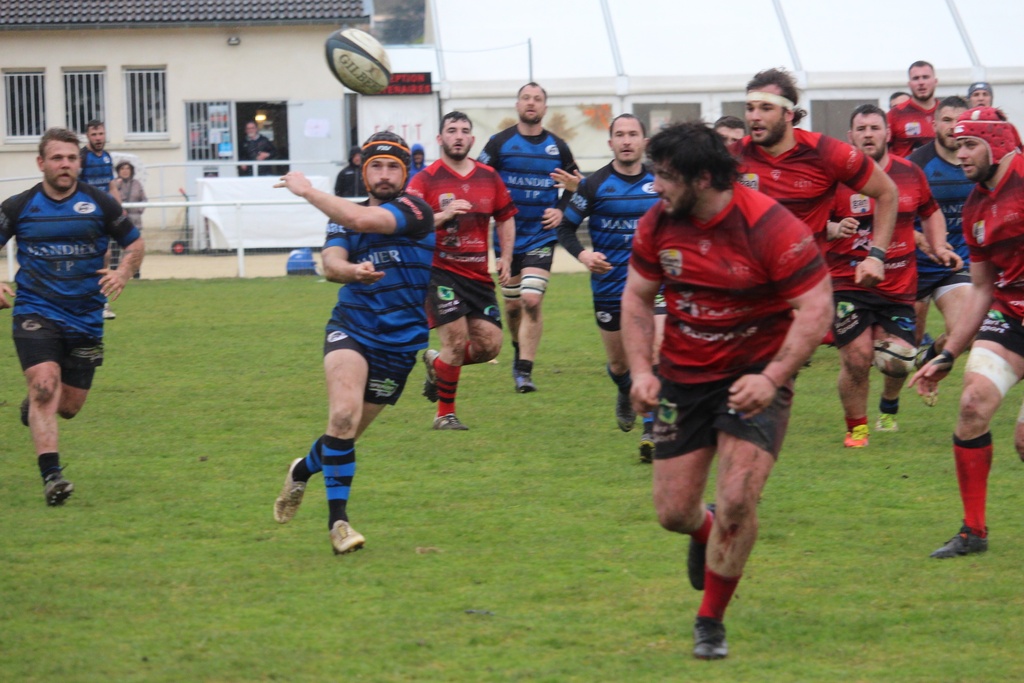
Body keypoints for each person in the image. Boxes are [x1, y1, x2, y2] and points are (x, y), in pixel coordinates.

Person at [622, 122, 831, 660]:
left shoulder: (770, 227)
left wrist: (772, 378)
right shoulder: (657, 222)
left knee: (739, 497)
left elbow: (817, 308)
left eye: (665, 176)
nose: (655, 186)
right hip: (683, 376)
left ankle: (710, 621)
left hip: (754, 376)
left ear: (703, 178)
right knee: (673, 513)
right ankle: (706, 529)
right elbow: (638, 298)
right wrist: (642, 370)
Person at [271, 132, 435, 555]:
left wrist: (306, 190)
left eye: (393, 167)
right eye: (376, 166)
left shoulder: (416, 210)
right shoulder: (343, 215)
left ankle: (302, 470)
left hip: (400, 343)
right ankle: (339, 525)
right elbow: (331, 264)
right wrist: (352, 272)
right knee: (343, 416)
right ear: (364, 172)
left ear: (406, 173)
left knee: (343, 436)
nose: (384, 174)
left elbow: (363, 221)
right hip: (352, 327)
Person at [0, 127, 144, 506]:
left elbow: (135, 243)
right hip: (35, 309)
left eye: (71, 158)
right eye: (57, 158)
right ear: (41, 163)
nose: (65, 165)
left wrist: (123, 271)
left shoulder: (100, 204)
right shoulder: (19, 206)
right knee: (45, 385)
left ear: (79, 163)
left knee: (68, 407)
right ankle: (53, 477)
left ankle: (35, 405)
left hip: (85, 317)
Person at [910, 106, 1024, 559]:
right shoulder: (977, 205)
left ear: (997, 144)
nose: (960, 155)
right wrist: (948, 353)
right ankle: (973, 532)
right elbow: (981, 288)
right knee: (972, 403)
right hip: (1012, 314)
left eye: (970, 145)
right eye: (957, 146)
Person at [825, 104, 957, 447]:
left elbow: (931, 212)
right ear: (850, 136)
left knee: (898, 362)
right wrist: (834, 228)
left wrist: (938, 244)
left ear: (887, 133)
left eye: (874, 128)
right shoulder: (836, 178)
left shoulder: (910, 172)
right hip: (848, 282)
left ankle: (888, 405)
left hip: (898, 286)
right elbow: (812, 223)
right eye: (861, 129)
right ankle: (857, 430)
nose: (868, 134)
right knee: (857, 358)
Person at [557, 113, 662, 462]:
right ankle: (624, 388)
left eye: (633, 134)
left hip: (654, 285)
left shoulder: (661, 181)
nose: (627, 140)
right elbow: (565, 229)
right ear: (611, 143)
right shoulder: (594, 185)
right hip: (610, 287)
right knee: (620, 364)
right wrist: (585, 255)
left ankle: (651, 430)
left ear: (644, 142)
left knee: (654, 354)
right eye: (620, 135)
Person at [407, 112, 517, 430]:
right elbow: (410, 224)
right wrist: (443, 215)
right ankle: (445, 415)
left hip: (478, 277)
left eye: (464, 131)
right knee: (455, 342)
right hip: (440, 273)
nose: (458, 136)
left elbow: (506, 217)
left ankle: (437, 363)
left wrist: (506, 257)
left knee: (489, 346)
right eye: (451, 130)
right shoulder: (425, 180)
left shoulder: (489, 177)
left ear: (472, 139)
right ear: (439, 138)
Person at [477, 82, 579, 393]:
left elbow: (576, 186)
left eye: (537, 99)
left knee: (531, 301)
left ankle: (524, 371)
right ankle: (517, 346)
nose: (531, 103)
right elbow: (479, 179)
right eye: (525, 98)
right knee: (512, 308)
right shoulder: (499, 143)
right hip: (507, 238)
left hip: (540, 236)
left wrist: (561, 209)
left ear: (545, 107)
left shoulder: (558, 147)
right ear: (517, 105)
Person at [736, 68, 898, 258]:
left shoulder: (826, 152)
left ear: (788, 114)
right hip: (750, 272)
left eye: (766, 108)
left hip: (806, 272)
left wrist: (876, 257)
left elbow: (887, 192)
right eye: (750, 108)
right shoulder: (732, 156)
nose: (754, 116)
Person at [907, 96, 974, 398]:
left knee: (965, 332)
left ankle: (932, 356)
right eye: (947, 120)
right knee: (902, 353)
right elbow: (894, 215)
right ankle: (888, 405)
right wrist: (920, 238)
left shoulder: (979, 163)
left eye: (960, 121)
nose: (954, 127)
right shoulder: (917, 164)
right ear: (933, 124)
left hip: (957, 263)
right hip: (915, 265)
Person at [80, 119, 122, 319]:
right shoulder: (82, 157)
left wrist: (119, 210)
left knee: (104, 255)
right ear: (88, 136)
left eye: (101, 134)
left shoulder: (106, 157)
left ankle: (101, 303)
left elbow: (111, 186)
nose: (98, 138)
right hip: (85, 214)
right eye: (94, 134)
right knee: (94, 256)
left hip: (102, 215)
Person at [887, 61, 939, 157]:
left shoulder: (945, 113)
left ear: (935, 81)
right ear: (909, 84)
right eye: (916, 78)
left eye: (925, 77)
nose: (921, 82)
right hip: (904, 166)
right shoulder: (895, 114)